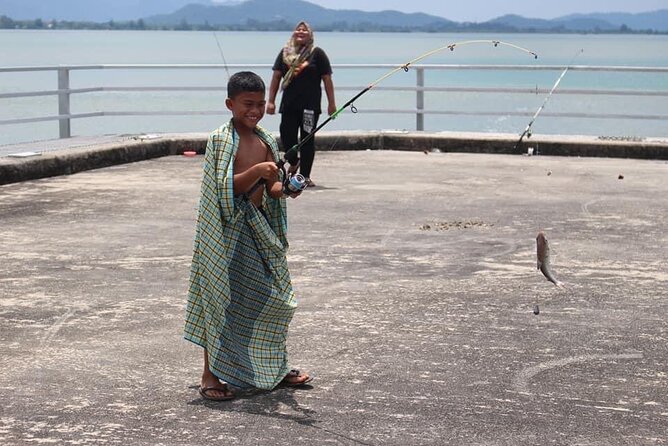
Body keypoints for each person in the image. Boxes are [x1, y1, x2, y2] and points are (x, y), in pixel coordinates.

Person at [184, 71, 311, 401]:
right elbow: (222, 189)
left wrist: (289, 188)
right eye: (247, 104)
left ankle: (274, 368)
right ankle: (210, 375)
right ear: (230, 104)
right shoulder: (221, 140)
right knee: (220, 302)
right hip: (226, 235)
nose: (254, 110)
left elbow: (273, 190)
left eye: (259, 104)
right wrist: (256, 171)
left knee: (275, 299)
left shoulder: (267, 141)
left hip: (258, 230)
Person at [267, 21, 336, 187]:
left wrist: (331, 104)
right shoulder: (285, 53)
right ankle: (294, 160)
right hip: (289, 104)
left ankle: (305, 176)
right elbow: (276, 77)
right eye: (298, 29)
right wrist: (271, 101)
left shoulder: (317, 54)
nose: (301, 31)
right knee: (286, 135)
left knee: (307, 140)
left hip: (310, 106)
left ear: (310, 35)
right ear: (293, 33)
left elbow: (327, 79)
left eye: (305, 30)